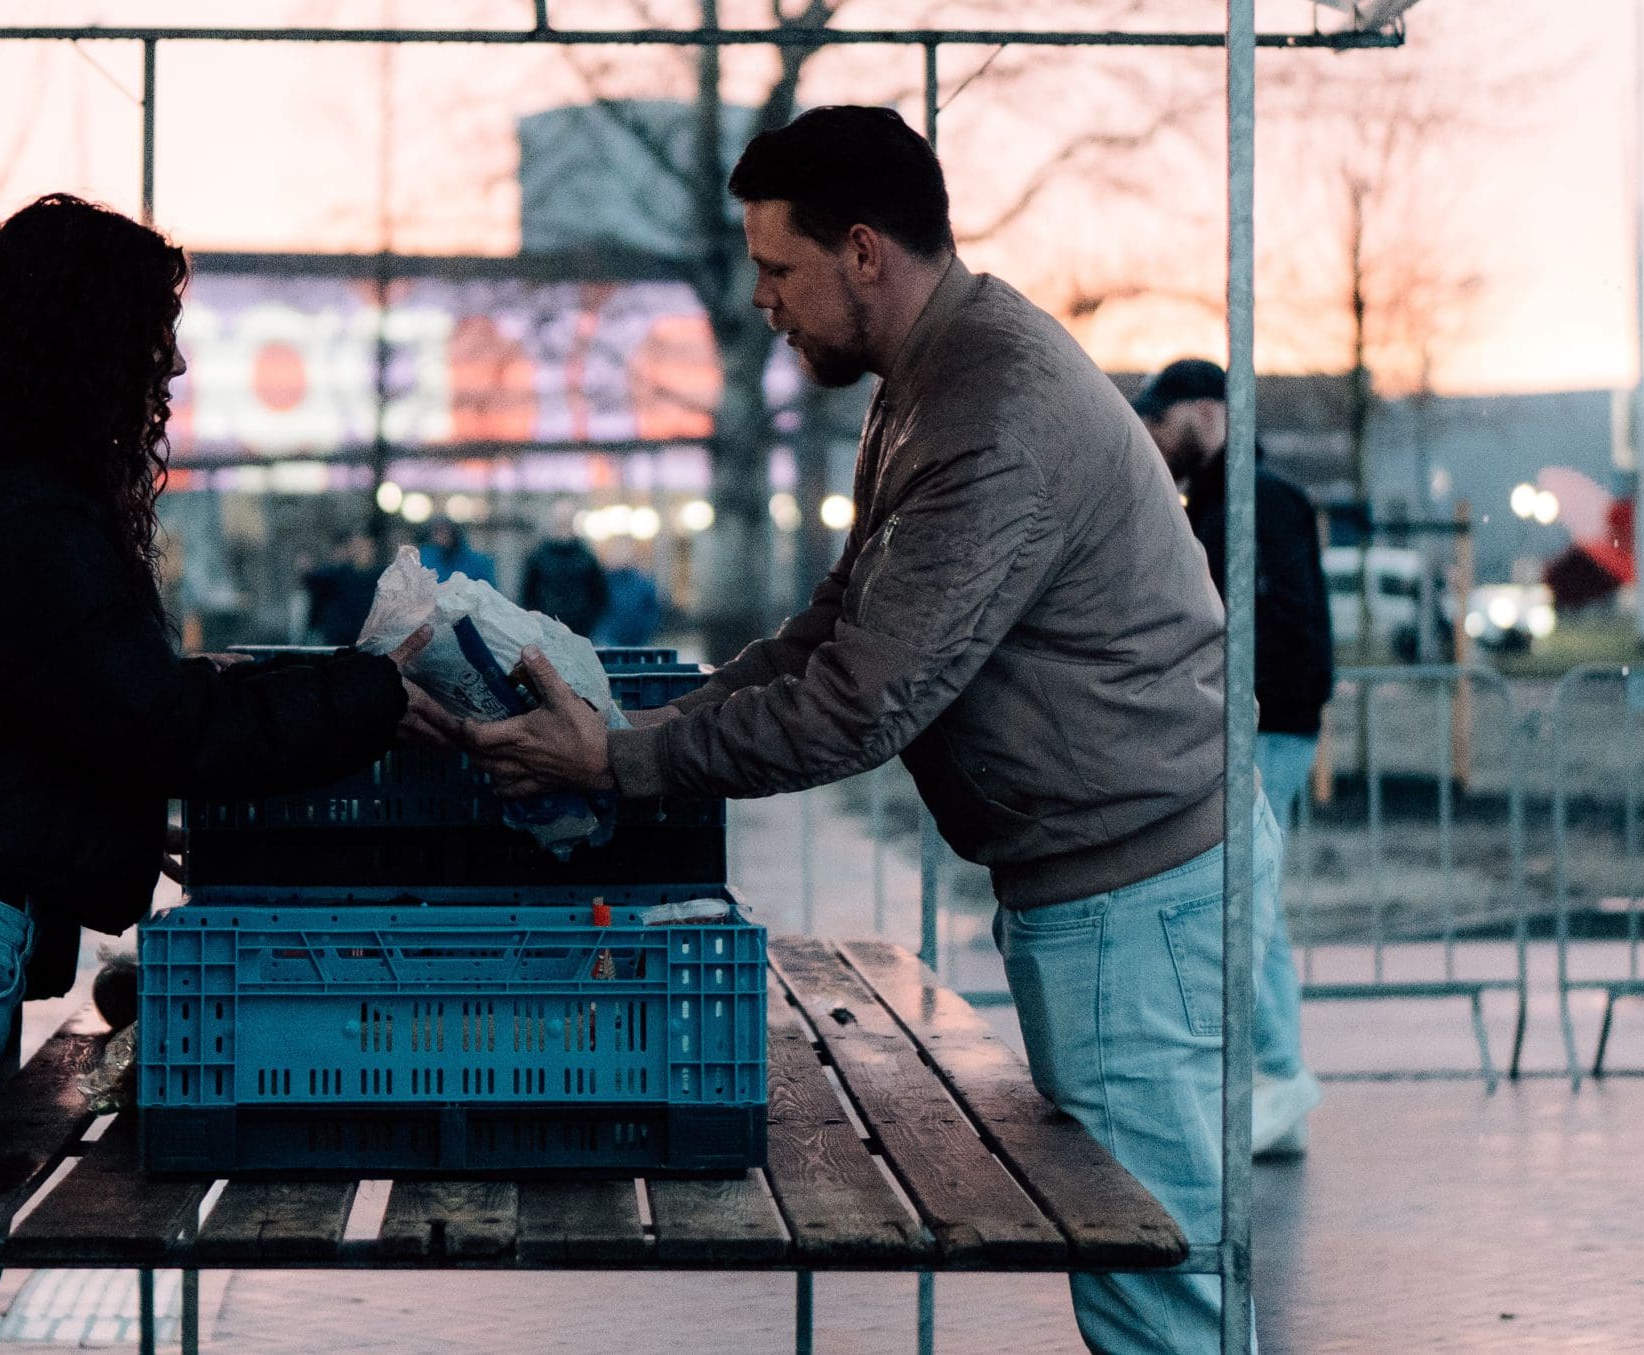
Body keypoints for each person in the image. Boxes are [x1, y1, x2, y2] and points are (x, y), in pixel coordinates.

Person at [444, 106, 1275, 1355]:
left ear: (866, 252)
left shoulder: (991, 413)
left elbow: (861, 702)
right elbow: (839, 623)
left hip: (1139, 894)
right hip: (1125, 882)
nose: (765, 302)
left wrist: (619, 760)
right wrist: (655, 718)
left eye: (780, 270)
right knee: (1154, 1275)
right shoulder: (936, 383)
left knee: (1161, 1291)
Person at [0, 194, 419, 1355]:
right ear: (81, 347)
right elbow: (153, 722)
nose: (165, 376)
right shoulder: (20, 515)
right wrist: (375, 689)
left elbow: (28, 721)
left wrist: (110, 814)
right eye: (148, 345)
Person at [1135, 358, 1336, 1160]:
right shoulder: (1222, 504)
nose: (1155, 437)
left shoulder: (1259, 502)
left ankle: (1277, 1076)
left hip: (1264, 725)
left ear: (1209, 412)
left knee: (1244, 899)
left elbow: (1279, 621)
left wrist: (1230, 697)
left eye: (1164, 420)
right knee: (1245, 897)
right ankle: (1271, 1080)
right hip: (1256, 721)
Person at [518, 504, 609, 637]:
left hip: (580, 632)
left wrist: (587, 625)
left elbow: (599, 596)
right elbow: (527, 594)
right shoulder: (538, 557)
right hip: (546, 631)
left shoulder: (586, 558)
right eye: (561, 522)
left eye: (566, 522)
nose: (563, 527)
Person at [302, 529, 382, 646]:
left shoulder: (381, 574)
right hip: (340, 639)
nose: (359, 549)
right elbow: (314, 581)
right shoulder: (338, 573)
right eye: (355, 545)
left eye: (363, 545)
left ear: (372, 547)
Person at [416, 517, 496, 585]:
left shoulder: (477, 562)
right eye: (438, 531)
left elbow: (487, 592)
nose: (442, 536)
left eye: (446, 531)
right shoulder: (422, 559)